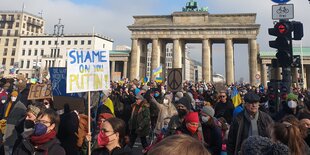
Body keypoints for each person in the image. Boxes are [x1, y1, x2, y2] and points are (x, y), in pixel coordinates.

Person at [3, 91, 27, 155]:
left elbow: (25, 116)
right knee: (5, 146)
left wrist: (17, 122)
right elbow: (4, 114)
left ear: (17, 97)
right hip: (5, 126)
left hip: (13, 128)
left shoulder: (21, 106)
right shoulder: (8, 104)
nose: (12, 97)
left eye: (14, 96)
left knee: (10, 146)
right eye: (12, 96)